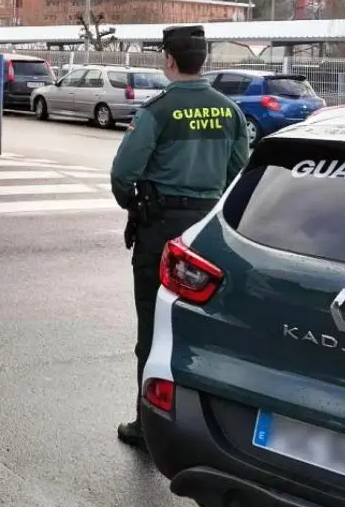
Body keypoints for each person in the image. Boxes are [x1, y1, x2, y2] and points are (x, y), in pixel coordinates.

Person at [109, 25, 250, 449]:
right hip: (209, 235)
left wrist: (135, 207)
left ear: (169, 59)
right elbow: (238, 172)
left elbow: (123, 174)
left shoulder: (159, 110)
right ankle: (213, 428)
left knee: (154, 326)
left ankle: (148, 424)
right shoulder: (230, 111)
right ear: (202, 59)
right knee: (208, 327)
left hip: (163, 232)